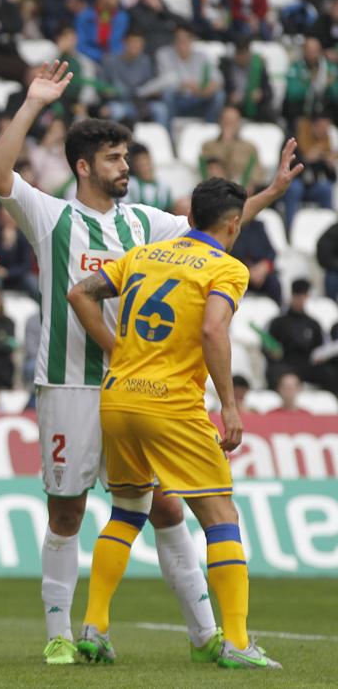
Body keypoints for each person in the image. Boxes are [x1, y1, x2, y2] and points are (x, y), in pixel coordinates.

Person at [0, 60, 300, 666]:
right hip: (70, 385)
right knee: (69, 509)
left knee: (164, 505)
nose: (125, 166)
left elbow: (213, 235)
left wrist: (271, 195)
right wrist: (33, 104)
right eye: (113, 159)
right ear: (83, 167)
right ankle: (60, 633)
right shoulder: (49, 215)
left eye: (126, 157)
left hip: (134, 387)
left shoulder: (145, 224)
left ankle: (205, 633)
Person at [67, 177, 281, 669]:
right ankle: (238, 642)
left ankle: (94, 627)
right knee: (220, 517)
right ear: (232, 225)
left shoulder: (145, 254)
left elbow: (80, 293)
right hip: (171, 404)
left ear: (188, 218)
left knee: (127, 511)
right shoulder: (227, 268)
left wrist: (115, 349)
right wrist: (228, 405)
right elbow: (211, 328)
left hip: (118, 397)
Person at [264, 279, 338, 395]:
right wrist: (272, 352)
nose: (300, 300)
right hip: (285, 364)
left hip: (307, 365)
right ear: (292, 296)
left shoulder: (313, 323)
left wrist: (321, 357)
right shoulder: (278, 322)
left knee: (331, 374)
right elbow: (267, 345)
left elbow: (320, 348)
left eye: (303, 297)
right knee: (274, 372)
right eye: (297, 297)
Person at [200, 107, 261, 191]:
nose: (229, 125)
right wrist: (226, 144)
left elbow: (257, 171)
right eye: (226, 121)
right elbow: (206, 171)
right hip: (215, 190)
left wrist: (250, 184)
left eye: (233, 122)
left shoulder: (249, 147)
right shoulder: (208, 146)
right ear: (220, 122)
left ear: (239, 123)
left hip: (243, 190)